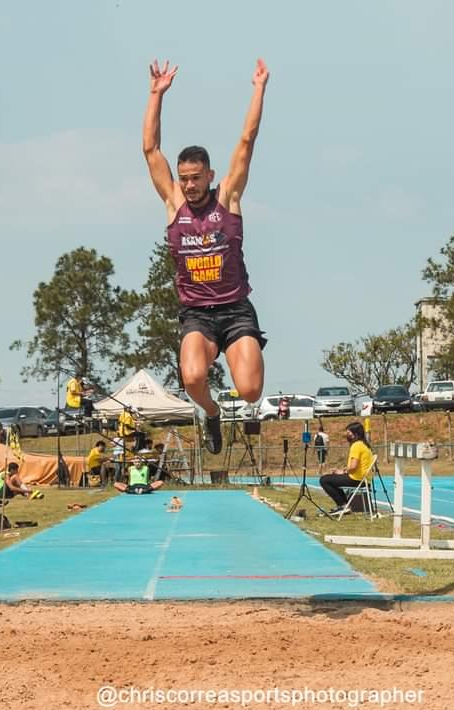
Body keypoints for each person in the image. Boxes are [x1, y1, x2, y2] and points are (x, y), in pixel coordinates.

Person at [142, 58, 270, 456]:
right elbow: (150, 149)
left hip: (235, 308)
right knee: (193, 376)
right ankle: (211, 414)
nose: (189, 184)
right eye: (184, 178)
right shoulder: (174, 204)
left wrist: (259, 89)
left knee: (250, 390)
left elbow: (246, 142)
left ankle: (233, 394)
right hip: (197, 312)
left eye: (196, 177)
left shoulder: (228, 200)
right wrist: (156, 95)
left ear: (210, 176)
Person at [319, 422, 373, 516]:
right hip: (364, 479)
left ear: (356, 434)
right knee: (333, 478)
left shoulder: (356, 446)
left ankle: (343, 505)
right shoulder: (364, 445)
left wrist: (342, 472)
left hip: (357, 479)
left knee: (324, 480)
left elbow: (353, 467)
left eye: (349, 433)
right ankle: (344, 505)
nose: (346, 435)